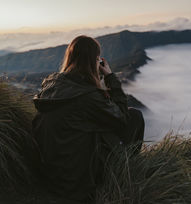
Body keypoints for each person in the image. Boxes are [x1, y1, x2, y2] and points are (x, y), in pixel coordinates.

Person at [32, 35, 145, 204]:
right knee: (135, 117)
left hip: (50, 175)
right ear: (94, 60)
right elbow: (122, 117)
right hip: (76, 184)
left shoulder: (51, 84)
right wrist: (110, 77)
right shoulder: (87, 97)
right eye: (97, 58)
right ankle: (125, 175)